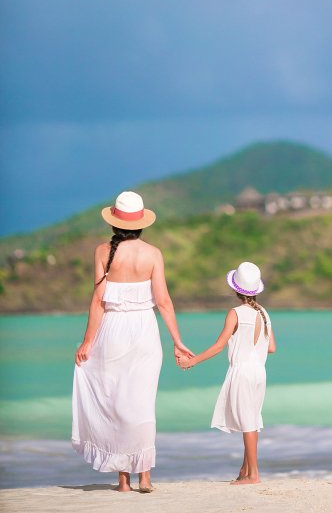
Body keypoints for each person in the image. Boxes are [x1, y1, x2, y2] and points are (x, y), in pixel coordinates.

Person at [72, 190, 193, 493]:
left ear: (113, 223)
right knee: (141, 404)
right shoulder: (153, 254)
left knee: (114, 403)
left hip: (112, 331)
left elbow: (98, 301)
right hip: (144, 332)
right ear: (141, 223)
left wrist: (87, 342)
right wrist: (177, 341)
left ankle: (123, 480)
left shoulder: (102, 251)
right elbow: (163, 301)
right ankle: (146, 476)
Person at [177, 261, 276, 485]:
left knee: (248, 422)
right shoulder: (264, 313)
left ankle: (254, 475)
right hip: (260, 371)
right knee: (251, 419)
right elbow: (271, 347)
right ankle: (245, 469)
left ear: (235, 289)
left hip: (242, 371)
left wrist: (191, 361)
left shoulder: (236, 313)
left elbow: (218, 346)